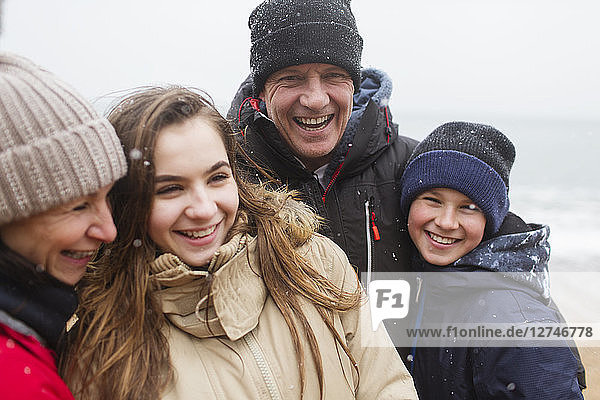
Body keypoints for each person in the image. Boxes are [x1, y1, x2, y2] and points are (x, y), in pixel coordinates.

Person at [62, 86, 418, 399]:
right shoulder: (100, 344)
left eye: (217, 177)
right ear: (127, 200)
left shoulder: (314, 262)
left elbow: (387, 385)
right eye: (171, 188)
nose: (204, 209)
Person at [228, 0, 418, 280]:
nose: (315, 100)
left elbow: (491, 253)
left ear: (354, 85)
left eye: (334, 76)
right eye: (291, 78)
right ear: (263, 93)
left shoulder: (413, 168)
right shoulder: (226, 176)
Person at [398, 121, 584, 399]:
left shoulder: (515, 323)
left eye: (468, 207)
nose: (446, 222)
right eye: (432, 200)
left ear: (491, 220)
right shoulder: (438, 279)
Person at [0, 52, 127, 399]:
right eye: (77, 206)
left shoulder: (31, 335)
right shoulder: (15, 379)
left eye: (108, 198)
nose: (109, 231)